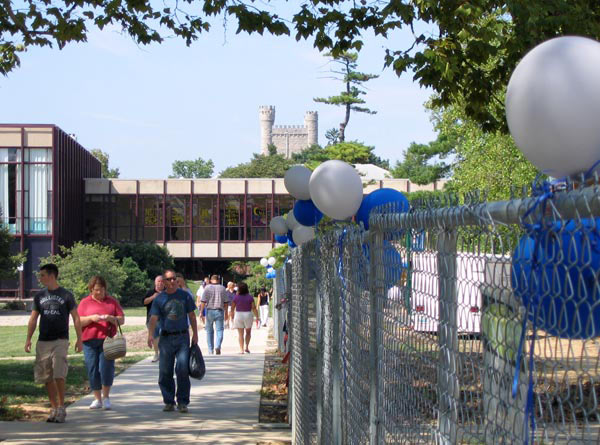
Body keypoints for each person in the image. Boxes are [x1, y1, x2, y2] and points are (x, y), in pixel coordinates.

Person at [24, 264, 83, 423]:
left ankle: (62, 407)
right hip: (43, 341)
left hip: (60, 340)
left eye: (42, 275)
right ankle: (54, 407)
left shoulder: (66, 295)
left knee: (59, 374)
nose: (40, 278)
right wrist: (28, 339)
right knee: (47, 376)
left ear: (51, 276)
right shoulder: (39, 296)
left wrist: (80, 339)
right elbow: (33, 319)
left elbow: (76, 317)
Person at [147, 269, 198, 413]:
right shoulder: (159, 299)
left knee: (182, 370)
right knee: (165, 371)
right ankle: (169, 401)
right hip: (166, 338)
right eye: (169, 279)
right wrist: (150, 335)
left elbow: (192, 315)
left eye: (174, 278)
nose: (173, 281)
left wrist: (195, 334)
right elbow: (153, 318)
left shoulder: (184, 296)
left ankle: (182, 402)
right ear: (164, 282)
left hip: (182, 337)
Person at [77, 275, 125, 410]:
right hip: (89, 341)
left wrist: (111, 318)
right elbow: (78, 321)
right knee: (92, 369)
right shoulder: (84, 303)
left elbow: (121, 320)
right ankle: (97, 399)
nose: (99, 292)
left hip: (108, 341)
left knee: (106, 368)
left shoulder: (112, 302)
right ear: (91, 289)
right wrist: (91, 318)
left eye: (102, 289)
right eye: (96, 290)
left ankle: (106, 397)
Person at [199, 275, 229, 355]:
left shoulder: (207, 288)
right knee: (220, 330)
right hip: (219, 311)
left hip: (209, 311)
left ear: (211, 280)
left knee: (209, 331)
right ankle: (218, 345)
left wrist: (201, 312)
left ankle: (210, 350)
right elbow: (226, 302)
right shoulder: (222, 288)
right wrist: (226, 313)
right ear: (218, 280)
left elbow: (203, 301)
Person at [230, 282, 259, 354]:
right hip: (248, 314)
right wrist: (257, 316)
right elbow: (254, 308)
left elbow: (232, 308)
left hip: (239, 314)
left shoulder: (236, 297)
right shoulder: (250, 297)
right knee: (248, 332)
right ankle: (247, 347)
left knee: (240, 334)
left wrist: (232, 317)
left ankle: (241, 349)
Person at [143, 275, 164, 362]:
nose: (160, 283)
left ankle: (164, 353)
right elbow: (144, 302)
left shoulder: (167, 292)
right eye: (158, 281)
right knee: (155, 337)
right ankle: (156, 354)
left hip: (164, 319)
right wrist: (153, 297)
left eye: (162, 281)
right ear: (155, 283)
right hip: (151, 319)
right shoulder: (150, 292)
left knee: (163, 336)